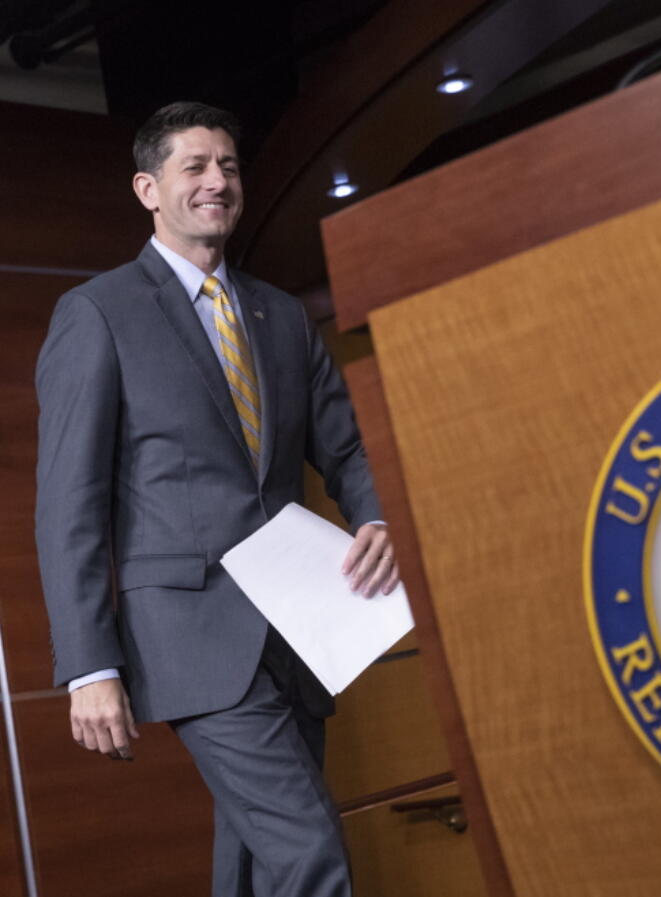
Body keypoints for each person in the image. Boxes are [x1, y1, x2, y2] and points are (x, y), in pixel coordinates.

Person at [34, 100, 397, 897]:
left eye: (228, 166)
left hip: (298, 633)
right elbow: (70, 504)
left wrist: (375, 513)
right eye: (194, 166)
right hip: (192, 638)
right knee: (310, 854)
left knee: (258, 865)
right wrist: (88, 663)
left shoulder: (281, 315)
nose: (217, 181)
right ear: (148, 190)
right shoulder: (97, 314)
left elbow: (345, 446)